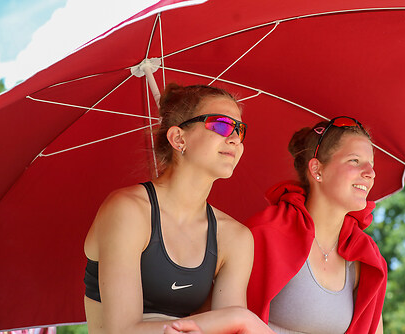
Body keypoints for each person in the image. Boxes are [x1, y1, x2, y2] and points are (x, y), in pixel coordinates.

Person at [83, 83, 274, 334]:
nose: (235, 138)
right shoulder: (129, 211)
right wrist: (240, 319)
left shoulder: (234, 237)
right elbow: (122, 330)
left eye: (240, 129)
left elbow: (230, 329)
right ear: (178, 138)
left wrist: (236, 320)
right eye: (220, 125)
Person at [245, 116, 388, 334]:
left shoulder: (367, 260)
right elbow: (225, 315)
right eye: (355, 161)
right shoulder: (264, 233)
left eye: (371, 164)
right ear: (316, 170)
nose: (370, 172)